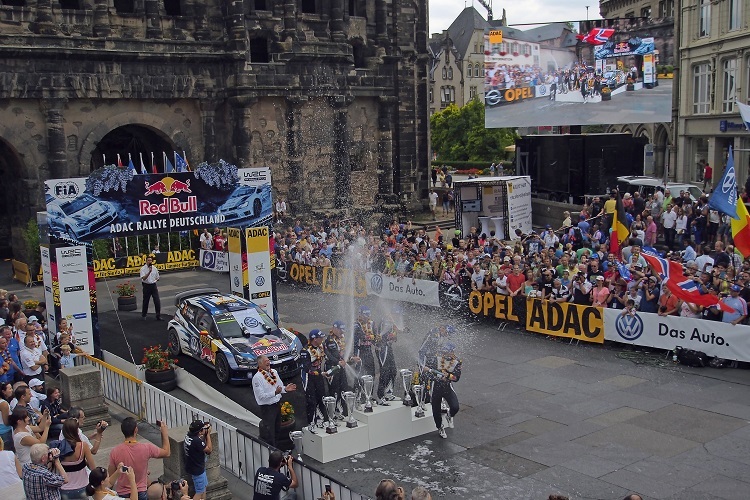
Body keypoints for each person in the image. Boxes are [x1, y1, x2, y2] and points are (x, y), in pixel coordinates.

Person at [108, 417, 171, 500]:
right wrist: (165, 434)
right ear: (136, 430)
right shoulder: (146, 448)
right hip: (140, 491)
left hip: (122, 493)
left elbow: (111, 476)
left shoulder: (115, 451)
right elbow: (167, 453)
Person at [252, 355, 296, 447]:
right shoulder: (257, 378)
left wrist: (286, 389)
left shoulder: (274, 372)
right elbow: (261, 396)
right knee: (269, 432)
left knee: (277, 429)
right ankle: (270, 452)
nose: (268, 362)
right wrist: (275, 393)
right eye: (265, 361)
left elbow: (279, 387)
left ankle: (277, 450)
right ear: (260, 364)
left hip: (277, 405)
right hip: (267, 408)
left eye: (268, 360)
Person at [423, 342, 461, 439]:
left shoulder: (456, 362)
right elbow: (426, 372)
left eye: (447, 352)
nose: (445, 354)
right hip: (435, 387)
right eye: (444, 352)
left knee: (455, 407)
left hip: (447, 387)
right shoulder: (436, 359)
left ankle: (449, 415)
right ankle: (440, 427)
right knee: (436, 409)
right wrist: (435, 378)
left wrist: (447, 377)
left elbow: (456, 378)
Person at [60, 418, 96, 500]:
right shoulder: (83, 446)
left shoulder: (58, 447)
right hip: (82, 487)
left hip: (65, 489)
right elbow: (93, 468)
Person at [302, 330, 329, 432]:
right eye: (320, 338)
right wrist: (319, 373)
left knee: (322, 397)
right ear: (314, 339)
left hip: (319, 376)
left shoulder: (321, 347)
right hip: (309, 378)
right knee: (311, 401)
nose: (322, 339)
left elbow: (326, 357)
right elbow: (306, 368)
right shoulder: (305, 351)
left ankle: (324, 419)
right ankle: (311, 423)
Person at [376, 305, 401, 405]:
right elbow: (382, 336)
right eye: (397, 314)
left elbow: (393, 337)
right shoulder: (386, 321)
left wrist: (395, 336)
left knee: (393, 370)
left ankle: (388, 393)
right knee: (384, 372)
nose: (398, 316)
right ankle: (380, 396)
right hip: (382, 348)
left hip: (388, 347)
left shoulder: (393, 322)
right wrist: (391, 336)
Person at [323, 321, 348, 419]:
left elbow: (343, 353)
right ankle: (332, 414)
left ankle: (341, 410)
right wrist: (338, 362)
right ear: (334, 329)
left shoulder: (341, 339)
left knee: (344, 388)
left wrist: (349, 359)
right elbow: (331, 355)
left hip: (340, 366)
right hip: (332, 368)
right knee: (334, 390)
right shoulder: (330, 340)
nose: (342, 333)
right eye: (340, 330)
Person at [183, 421, 212, 500]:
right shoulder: (197, 441)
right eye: (203, 429)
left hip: (193, 466)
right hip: (198, 470)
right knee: (199, 491)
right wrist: (208, 434)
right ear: (199, 432)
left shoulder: (188, 436)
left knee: (203, 488)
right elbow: (209, 450)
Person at [140, 255, 161, 321]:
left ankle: (158, 315)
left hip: (153, 285)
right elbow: (143, 278)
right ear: (146, 261)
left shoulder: (154, 268)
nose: (149, 262)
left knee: (157, 300)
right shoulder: (143, 269)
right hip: (146, 285)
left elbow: (157, 277)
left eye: (150, 260)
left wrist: (157, 278)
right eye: (148, 260)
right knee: (146, 300)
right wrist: (149, 272)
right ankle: (144, 314)